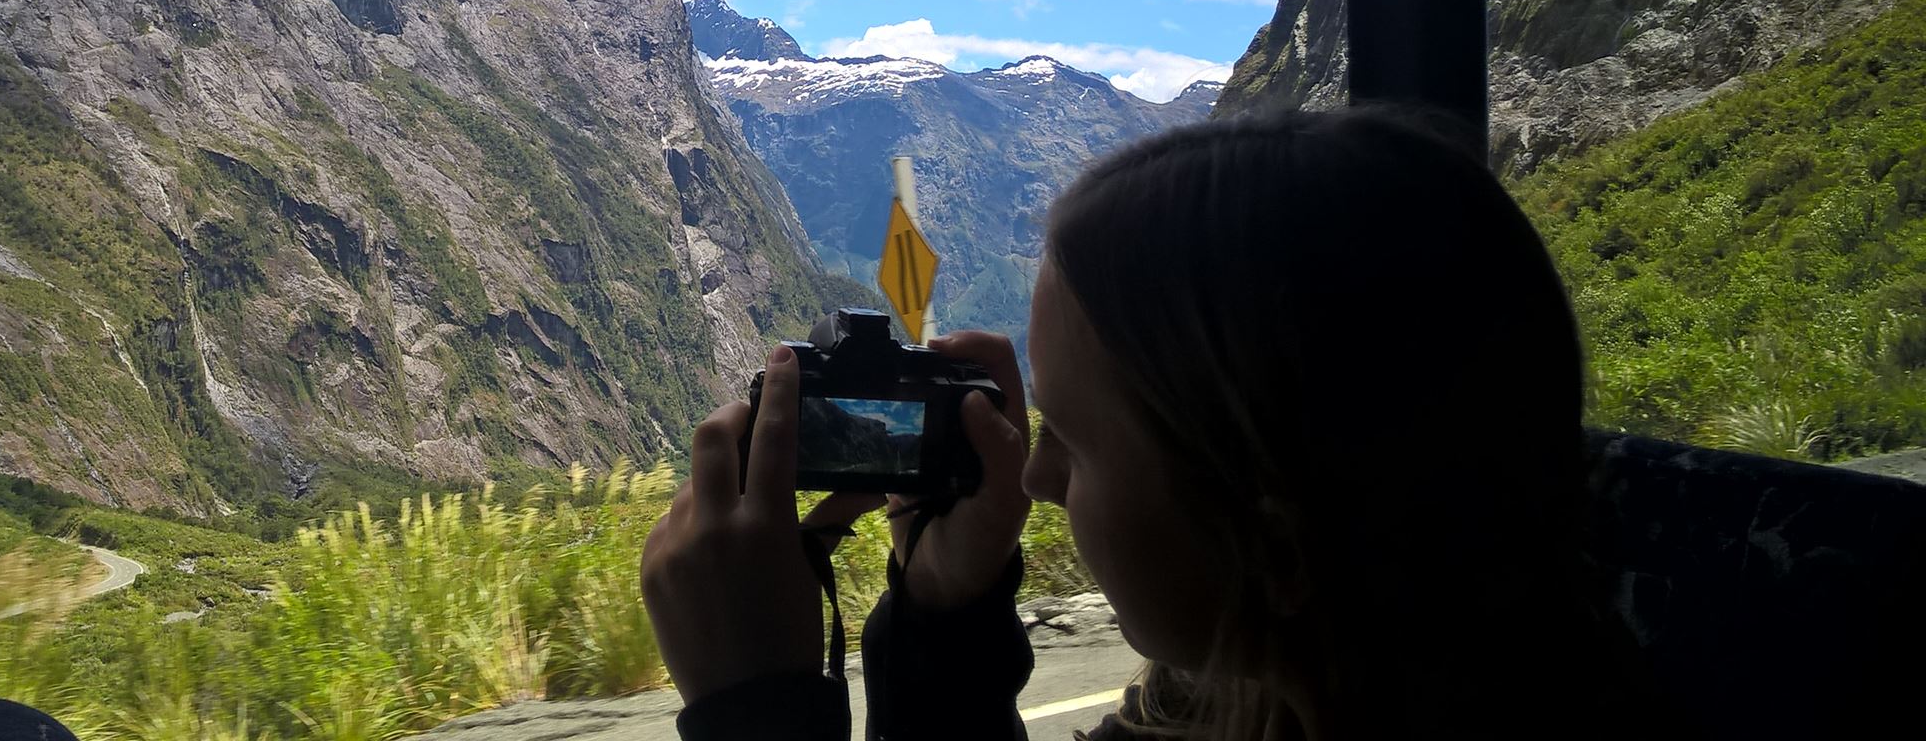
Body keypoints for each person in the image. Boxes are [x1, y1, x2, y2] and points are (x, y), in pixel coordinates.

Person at [640, 107, 1666, 741]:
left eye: (1075, 442)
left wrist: (760, 711)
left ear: (1272, 531)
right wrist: (945, 617)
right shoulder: (1243, 698)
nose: (1034, 479)